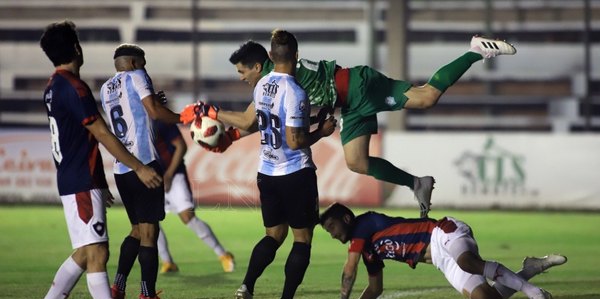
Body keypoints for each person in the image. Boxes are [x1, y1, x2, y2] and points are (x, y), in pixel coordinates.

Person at [180, 35, 517, 218]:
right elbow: (258, 121)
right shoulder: (275, 74)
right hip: (347, 103)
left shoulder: (273, 77)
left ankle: (475, 50)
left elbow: (250, 119)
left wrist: (211, 111)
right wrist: (232, 137)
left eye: (242, 72)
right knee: (355, 162)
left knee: (426, 98)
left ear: (257, 66)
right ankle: (417, 183)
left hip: (357, 86)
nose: (241, 78)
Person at [29, 20, 161, 299]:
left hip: (78, 177)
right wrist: (139, 167)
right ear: (77, 48)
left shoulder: (54, 85)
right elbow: (100, 132)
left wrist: (100, 181)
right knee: (97, 253)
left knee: (86, 252)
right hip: (80, 180)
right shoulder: (73, 87)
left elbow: (81, 136)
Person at [214, 29, 337, 299]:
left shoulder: (261, 86)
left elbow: (263, 121)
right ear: (296, 56)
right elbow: (295, 140)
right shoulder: (296, 91)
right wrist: (321, 131)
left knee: (273, 235)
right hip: (295, 173)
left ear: (270, 57)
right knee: (302, 240)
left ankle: (247, 285)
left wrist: (311, 119)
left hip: (266, 173)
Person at [318, 202, 567, 299]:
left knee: (467, 261)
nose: (332, 234)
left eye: (331, 227)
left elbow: (349, 268)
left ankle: (534, 293)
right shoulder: (368, 251)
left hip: (442, 233)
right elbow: (375, 288)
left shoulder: (363, 224)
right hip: (440, 260)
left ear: (347, 219)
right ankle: (530, 268)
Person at [100, 44, 181, 299]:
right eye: (144, 63)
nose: (146, 69)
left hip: (122, 168)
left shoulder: (105, 88)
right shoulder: (138, 76)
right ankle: (147, 294)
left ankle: (118, 287)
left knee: (136, 230)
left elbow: (134, 111)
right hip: (144, 164)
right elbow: (154, 112)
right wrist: (185, 117)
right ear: (134, 63)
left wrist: (153, 101)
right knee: (149, 232)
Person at [152, 118, 235, 273]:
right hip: (152, 177)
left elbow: (181, 146)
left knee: (188, 217)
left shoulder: (160, 120)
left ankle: (223, 254)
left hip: (174, 175)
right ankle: (167, 262)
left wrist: (169, 174)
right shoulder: (136, 121)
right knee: (151, 221)